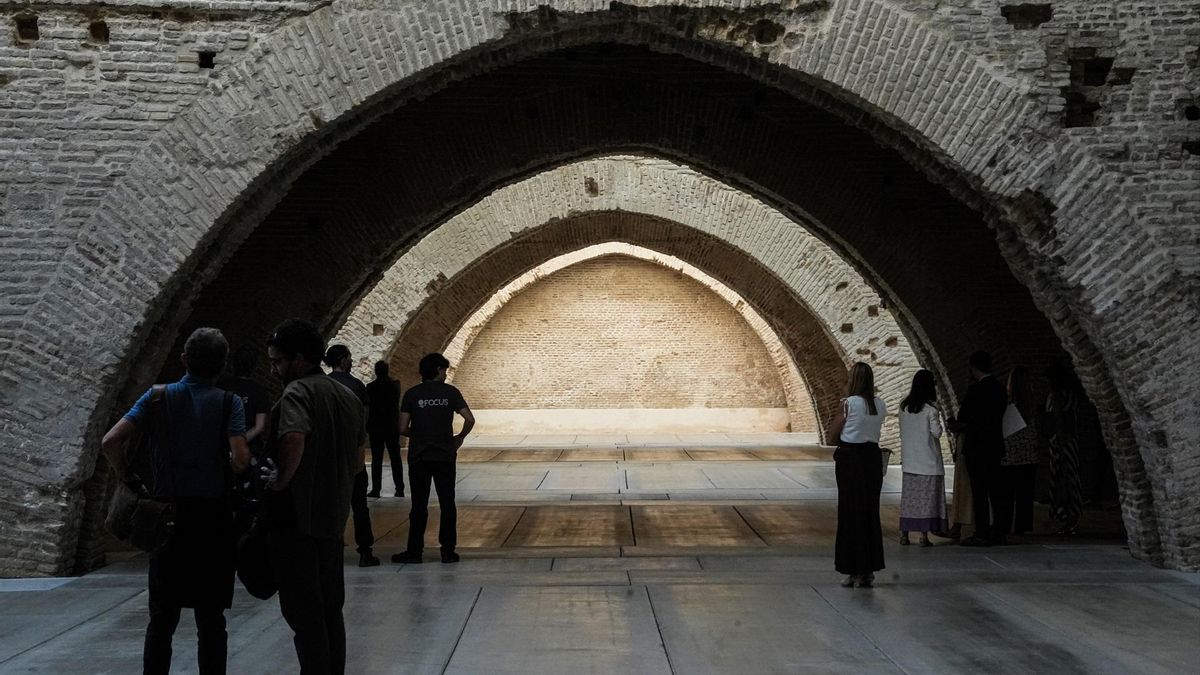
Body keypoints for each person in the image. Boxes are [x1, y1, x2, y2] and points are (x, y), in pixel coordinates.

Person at [100, 328, 250, 675]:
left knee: (161, 619)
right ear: (223, 365)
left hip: (166, 517)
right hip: (212, 520)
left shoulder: (156, 398)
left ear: (184, 359)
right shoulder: (229, 403)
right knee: (211, 620)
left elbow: (111, 441)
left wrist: (127, 476)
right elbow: (241, 459)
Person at [263, 319, 366, 674]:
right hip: (332, 520)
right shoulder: (348, 395)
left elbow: (293, 437)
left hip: (299, 522)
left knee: (304, 614)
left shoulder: (297, 393)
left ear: (299, 359)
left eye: (277, 361)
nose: (274, 369)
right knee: (330, 610)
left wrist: (280, 481)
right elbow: (357, 461)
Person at [391, 353, 474, 565]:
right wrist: (459, 438)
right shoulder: (451, 393)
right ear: (437, 370)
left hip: (419, 457)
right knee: (447, 503)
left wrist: (419, 434)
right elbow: (469, 418)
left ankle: (414, 552)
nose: (446, 374)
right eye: (444, 370)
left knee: (419, 505)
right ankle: (448, 551)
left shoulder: (412, 394)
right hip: (445, 456)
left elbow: (401, 428)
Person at [830, 362, 887, 588]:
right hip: (871, 460)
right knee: (869, 513)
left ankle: (852, 569)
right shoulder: (880, 405)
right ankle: (868, 570)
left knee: (850, 514)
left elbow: (832, 436)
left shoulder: (848, 404)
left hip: (850, 461)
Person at [323, 344, 379, 567]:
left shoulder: (323, 384)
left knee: (330, 505)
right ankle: (365, 551)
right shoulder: (356, 385)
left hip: (328, 456)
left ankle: (331, 548)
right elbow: (363, 420)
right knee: (359, 506)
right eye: (350, 357)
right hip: (351, 456)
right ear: (344, 360)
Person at [947, 351, 1007, 546]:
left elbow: (964, 420)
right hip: (995, 446)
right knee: (997, 491)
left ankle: (981, 532)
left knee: (979, 492)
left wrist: (953, 424)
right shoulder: (1000, 389)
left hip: (976, 448)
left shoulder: (975, 391)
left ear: (973, 368)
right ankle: (999, 531)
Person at [219, 345, 269, 534]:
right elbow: (260, 426)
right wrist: (241, 440)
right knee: (249, 499)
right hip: (250, 452)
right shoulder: (258, 391)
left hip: (222, 451)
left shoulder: (222, 388)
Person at [898, 370, 947, 547]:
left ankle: (904, 534)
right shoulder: (930, 410)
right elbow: (937, 433)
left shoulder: (904, 407)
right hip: (928, 462)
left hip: (910, 462)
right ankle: (924, 536)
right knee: (927, 500)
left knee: (909, 500)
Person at [998, 366, 1039, 536]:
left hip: (1009, 456)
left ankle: (1005, 525)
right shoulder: (1033, 405)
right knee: (1025, 495)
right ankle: (1022, 526)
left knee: (1007, 495)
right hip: (1029, 456)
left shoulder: (1008, 404)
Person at [1044, 363, 1083, 535]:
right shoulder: (1071, 394)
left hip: (1061, 442)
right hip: (1070, 440)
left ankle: (1069, 518)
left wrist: (1058, 439)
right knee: (1071, 478)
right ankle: (1071, 517)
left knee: (1063, 478)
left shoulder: (1057, 395)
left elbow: (1058, 418)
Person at [366, 360, 404, 498]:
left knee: (377, 459)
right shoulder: (395, 385)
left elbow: (368, 408)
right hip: (391, 426)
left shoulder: (370, 387)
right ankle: (399, 488)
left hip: (376, 427)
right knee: (395, 458)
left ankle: (376, 490)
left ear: (376, 371)